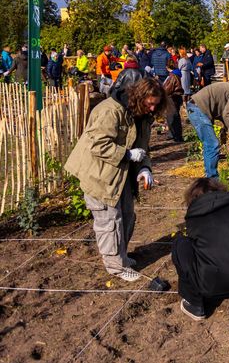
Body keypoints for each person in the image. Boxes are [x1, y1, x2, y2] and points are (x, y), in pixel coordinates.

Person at [64, 78, 167, 281]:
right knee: (109, 220)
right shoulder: (110, 111)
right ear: (139, 97)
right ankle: (115, 267)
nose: (153, 107)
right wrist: (127, 155)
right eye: (149, 103)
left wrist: (145, 168)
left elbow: (142, 147)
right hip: (99, 173)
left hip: (120, 174)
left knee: (127, 216)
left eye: (156, 104)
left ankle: (121, 257)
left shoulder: (143, 116)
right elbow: (98, 145)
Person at [172, 178, 229, 321]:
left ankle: (195, 302)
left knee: (181, 244)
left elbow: (197, 249)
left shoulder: (194, 216)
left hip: (211, 283)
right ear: (220, 190)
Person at [164, 58, 184, 142]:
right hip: (175, 98)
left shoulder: (173, 76)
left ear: (167, 67)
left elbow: (168, 89)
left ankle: (176, 135)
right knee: (175, 117)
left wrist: (161, 92)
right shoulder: (175, 75)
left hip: (172, 98)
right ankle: (175, 135)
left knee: (172, 117)